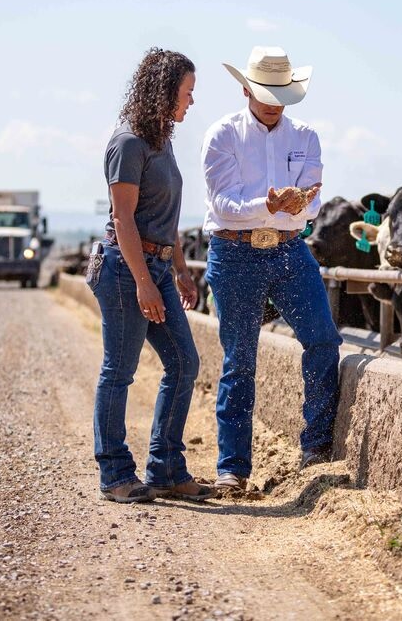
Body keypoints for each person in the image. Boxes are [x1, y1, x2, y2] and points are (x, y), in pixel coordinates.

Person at [201, 45, 341, 496]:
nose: (273, 102)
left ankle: (315, 448)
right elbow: (222, 204)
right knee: (239, 358)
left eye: (280, 93)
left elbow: (313, 197)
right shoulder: (222, 135)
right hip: (236, 250)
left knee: (323, 340)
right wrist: (268, 205)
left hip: (287, 247)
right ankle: (233, 468)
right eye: (265, 92)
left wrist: (303, 203)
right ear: (244, 89)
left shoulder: (306, 136)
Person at [89, 47, 218, 504]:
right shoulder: (128, 143)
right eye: (187, 92)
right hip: (125, 270)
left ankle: (165, 468)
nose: (191, 102)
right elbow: (123, 220)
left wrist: (180, 270)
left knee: (185, 363)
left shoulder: (161, 141)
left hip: (158, 265)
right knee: (119, 371)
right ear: (165, 91)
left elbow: (166, 216)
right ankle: (115, 474)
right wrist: (144, 282)